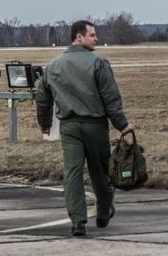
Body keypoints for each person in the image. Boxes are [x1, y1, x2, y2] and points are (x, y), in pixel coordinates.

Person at [36, 20, 134, 236]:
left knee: (72, 172)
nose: (96, 38)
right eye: (92, 35)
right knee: (101, 171)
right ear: (78, 37)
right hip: (95, 125)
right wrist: (122, 124)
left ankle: (78, 220)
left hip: (69, 126)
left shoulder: (53, 66)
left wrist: (45, 123)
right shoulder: (98, 62)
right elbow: (110, 97)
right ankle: (103, 211)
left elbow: (42, 98)